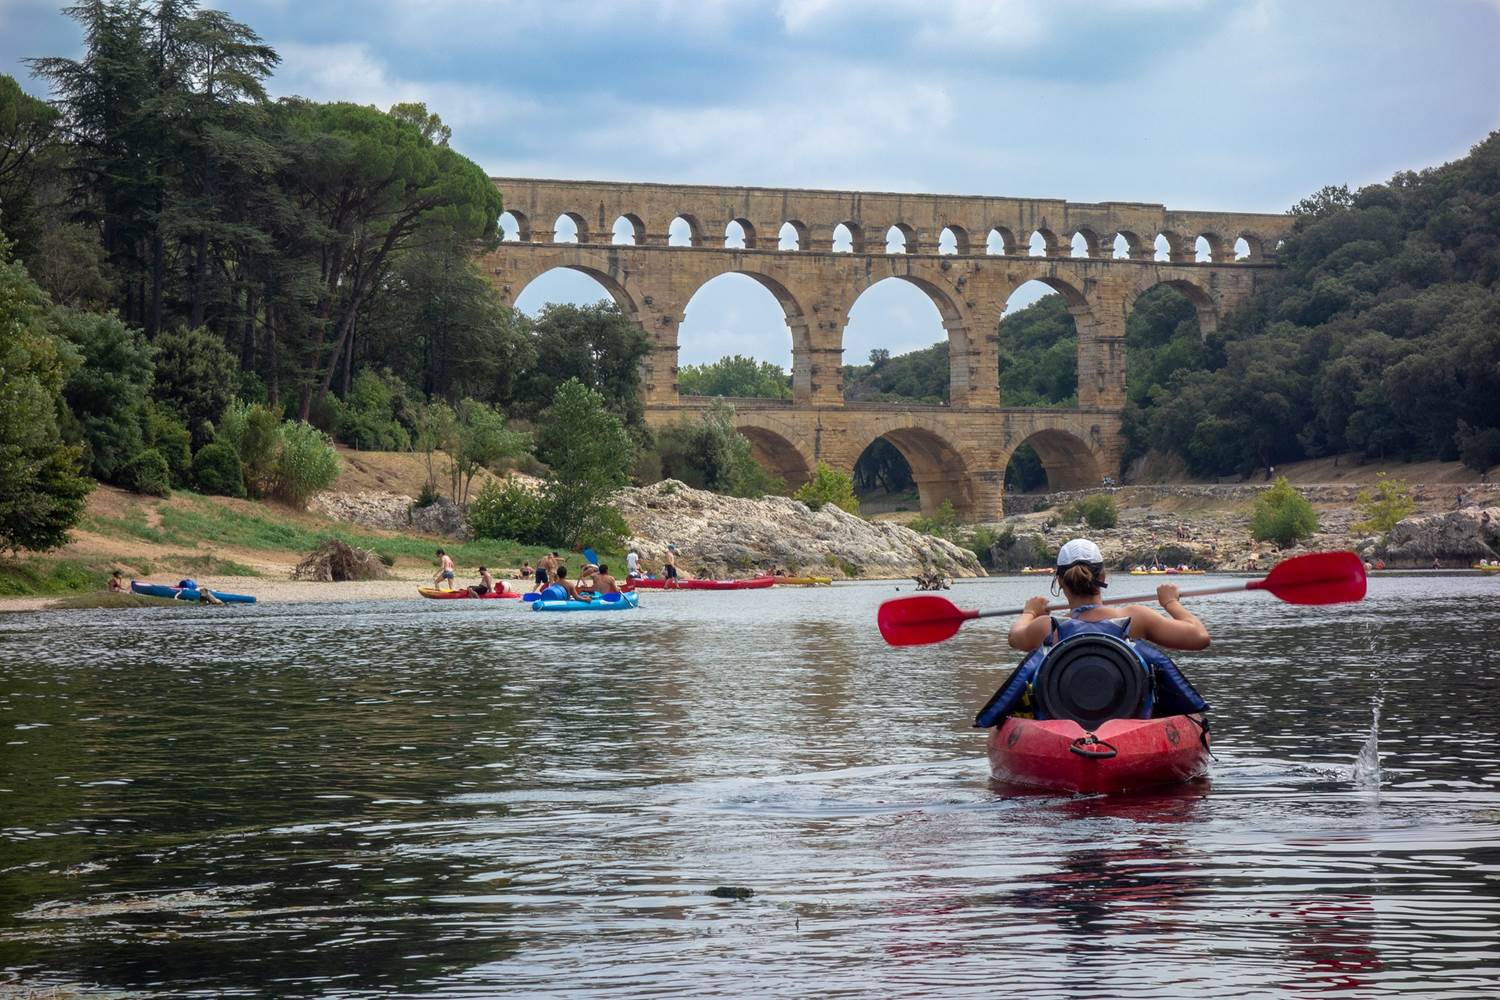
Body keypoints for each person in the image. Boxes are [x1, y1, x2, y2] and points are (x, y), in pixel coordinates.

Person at [1008, 538, 1210, 654]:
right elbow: (1199, 638)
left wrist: (1029, 612)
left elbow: (1015, 637)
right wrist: (1170, 602)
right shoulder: (1136, 618)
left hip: (1068, 715)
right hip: (1125, 714)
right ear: (1103, 576)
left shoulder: (1045, 626)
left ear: (1060, 581)